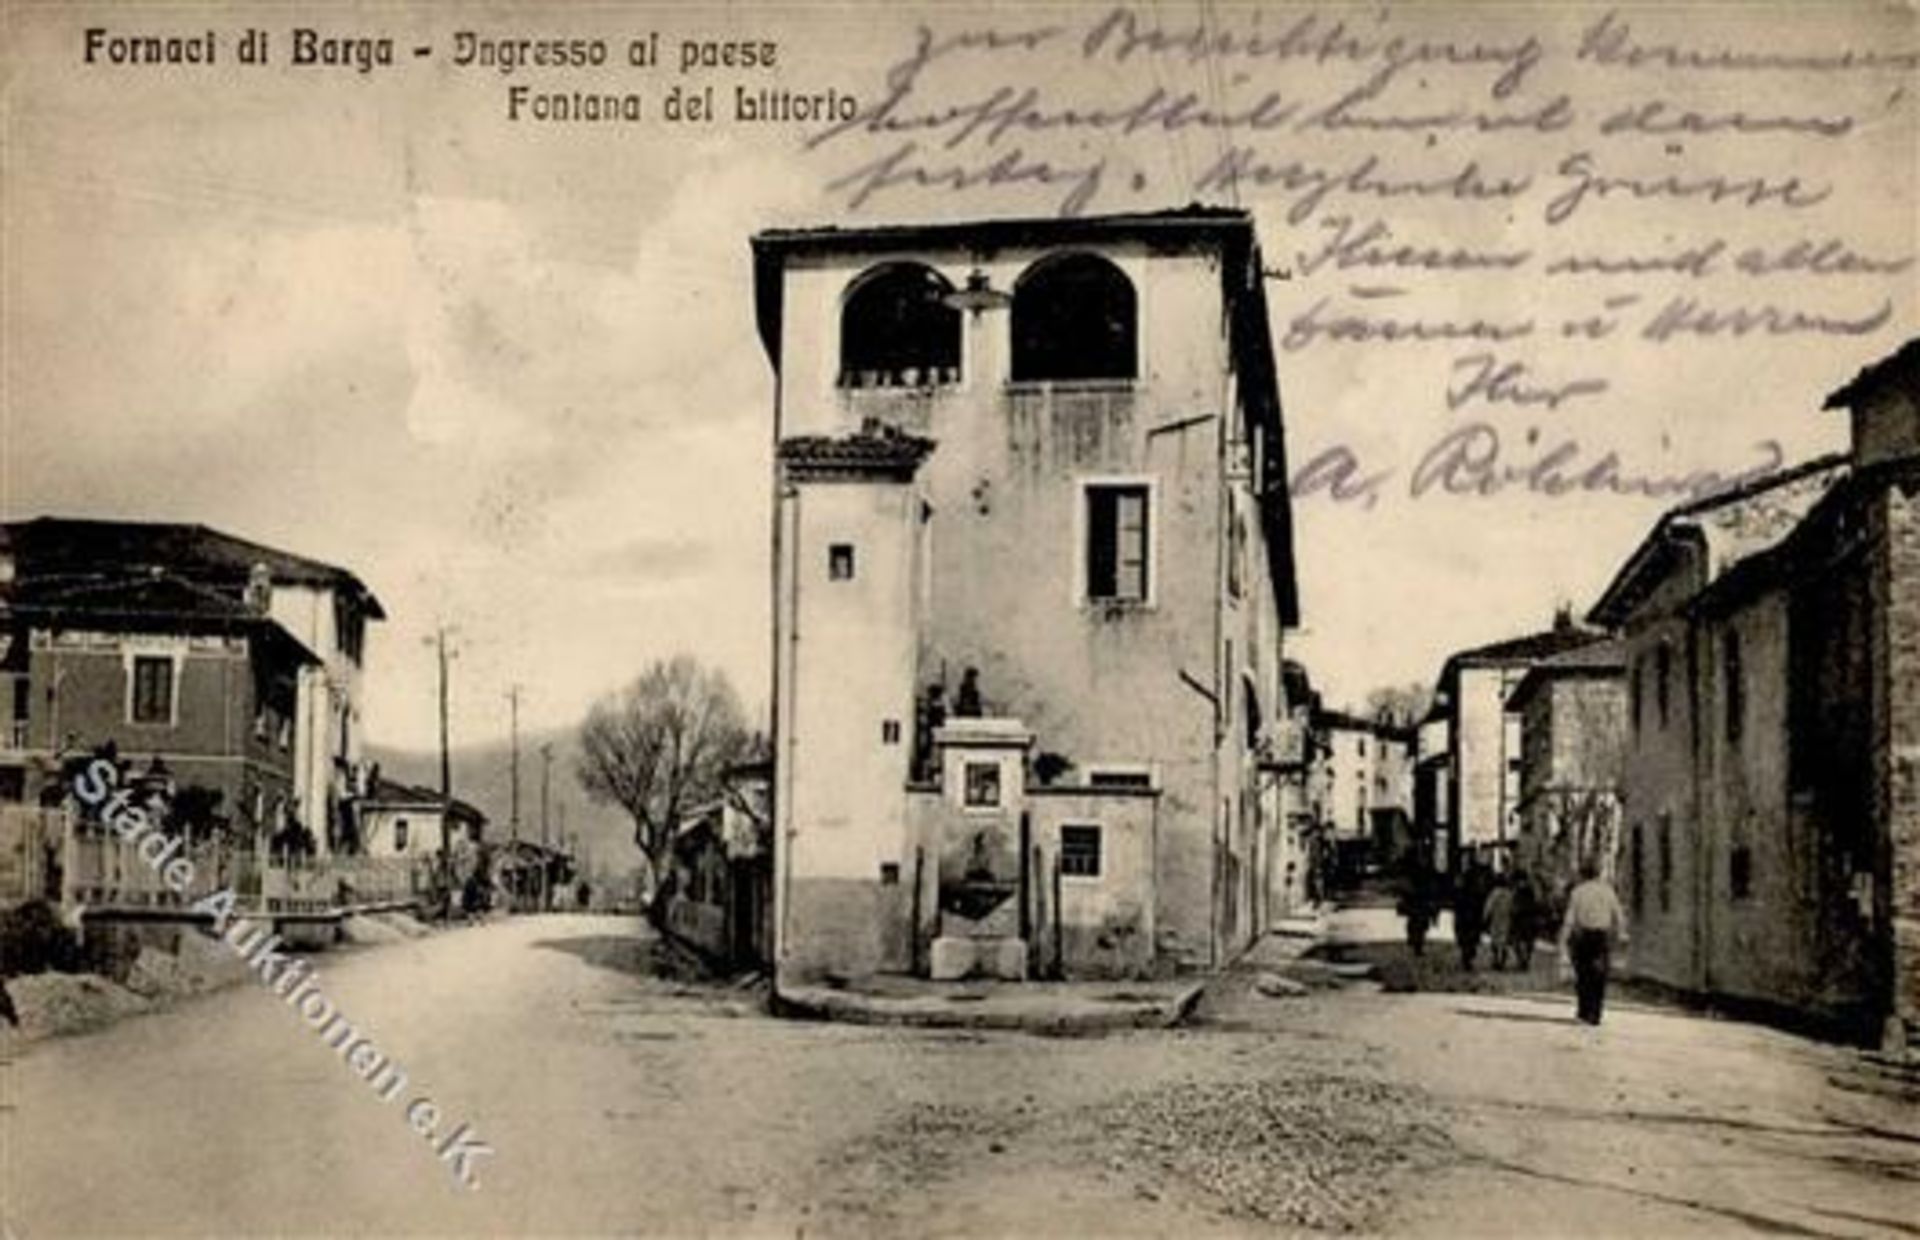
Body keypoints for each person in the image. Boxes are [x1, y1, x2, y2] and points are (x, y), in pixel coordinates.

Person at [1559, 858, 1629, 1025]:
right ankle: (1596, 1013)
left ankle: (1583, 1011)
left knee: (1583, 975)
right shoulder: (1607, 891)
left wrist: (1564, 939)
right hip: (1601, 937)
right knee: (1600, 975)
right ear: (1598, 873)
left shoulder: (1577, 892)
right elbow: (1618, 914)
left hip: (1583, 937)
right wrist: (1622, 933)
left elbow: (1570, 918)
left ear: (1582, 873)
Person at [1454, 859, 1489, 971]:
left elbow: (1457, 895)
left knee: (1467, 936)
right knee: (1471, 936)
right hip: (1471, 913)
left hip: (1467, 913)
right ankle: (1467, 956)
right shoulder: (1477, 882)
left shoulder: (1465, 879)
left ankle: (1467, 956)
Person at [1397, 870, 1435, 957]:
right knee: (1416, 921)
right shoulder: (1412, 868)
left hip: (1421, 897)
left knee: (1421, 923)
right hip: (1414, 897)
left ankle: (1416, 943)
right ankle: (1415, 943)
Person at [1508, 869, 1541, 970]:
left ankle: (1523, 960)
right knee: (1526, 941)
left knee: (1519, 941)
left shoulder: (1517, 891)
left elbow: (1513, 905)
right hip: (1527, 919)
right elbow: (1538, 902)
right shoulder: (1531, 890)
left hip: (1522, 919)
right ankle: (1524, 960)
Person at [1483, 874, 1515, 971]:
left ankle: (1496, 959)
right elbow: (1513, 908)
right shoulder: (1509, 894)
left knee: (1495, 940)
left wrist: (1485, 917)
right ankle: (1502, 960)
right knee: (1504, 940)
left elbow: (1488, 907)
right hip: (1506, 919)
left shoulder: (1494, 893)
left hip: (1496, 920)